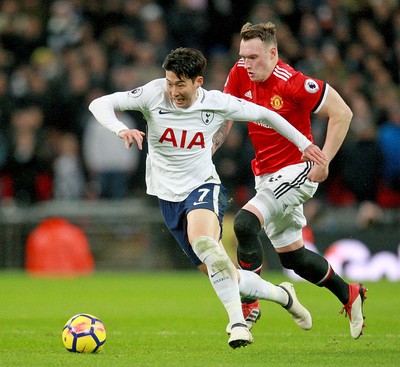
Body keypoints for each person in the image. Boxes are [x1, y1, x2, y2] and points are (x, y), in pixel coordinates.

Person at [89, 47, 327, 348]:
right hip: (168, 199)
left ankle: (237, 323)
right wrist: (121, 129)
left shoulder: (217, 103)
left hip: (204, 187)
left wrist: (305, 145)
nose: (173, 90)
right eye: (170, 82)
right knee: (224, 273)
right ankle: (283, 295)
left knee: (205, 243)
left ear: (198, 82)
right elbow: (100, 104)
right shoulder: (152, 94)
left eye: (180, 84)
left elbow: (267, 115)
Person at [219, 22, 367, 339]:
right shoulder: (239, 72)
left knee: (245, 224)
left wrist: (324, 159)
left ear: (273, 53)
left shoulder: (293, 82)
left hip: (299, 169)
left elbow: (343, 113)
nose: (247, 64)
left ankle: (249, 302)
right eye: (243, 56)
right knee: (294, 258)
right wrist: (211, 146)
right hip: (266, 175)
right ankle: (349, 293)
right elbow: (227, 114)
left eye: (254, 57)